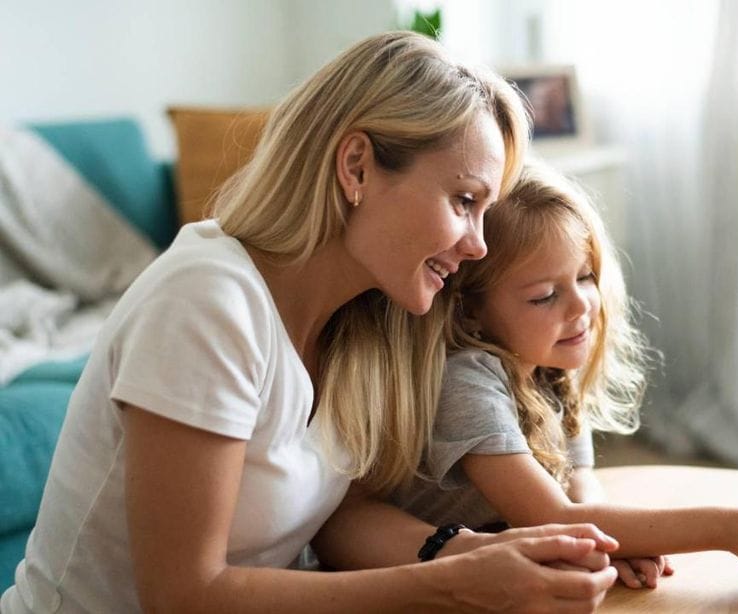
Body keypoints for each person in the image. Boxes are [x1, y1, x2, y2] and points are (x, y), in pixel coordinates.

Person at [2, 32, 622, 613]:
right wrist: (449, 584)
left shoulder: (364, 322)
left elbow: (340, 513)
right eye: (464, 201)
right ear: (355, 167)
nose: (478, 245)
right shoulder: (207, 302)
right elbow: (183, 594)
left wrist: (467, 550)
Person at [392, 162, 738, 589]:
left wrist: (614, 545)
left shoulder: (546, 370)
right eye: (543, 296)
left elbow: (580, 488)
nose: (580, 307)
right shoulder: (467, 383)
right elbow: (553, 515)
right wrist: (733, 528)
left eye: (586, 276)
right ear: (471, 312)